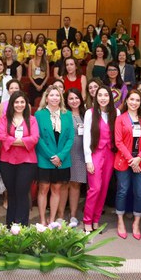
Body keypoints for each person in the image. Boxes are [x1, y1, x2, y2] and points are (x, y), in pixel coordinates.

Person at [114, 90, 141, 240]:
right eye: (131, 99)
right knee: (122, 191)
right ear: (127, 100)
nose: (134, 102)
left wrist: (139, 158)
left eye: (137, 100)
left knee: (140, 192)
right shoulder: (120, 119)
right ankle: (120, 221)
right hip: (124, 161)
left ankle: (136, 222)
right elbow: (118, 142)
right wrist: (132, 159)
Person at [0, 91, 39, 226]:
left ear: (26, 104)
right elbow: (1, 136)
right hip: (7, 161)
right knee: (12, 193)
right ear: (12, 104)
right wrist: (22, 141)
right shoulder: (4, 119)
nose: (19, 105)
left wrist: (12, 140)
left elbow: (35, 138)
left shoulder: (32, 119)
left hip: (27, 162)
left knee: (22, 192)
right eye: (16, 102)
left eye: (22, 102)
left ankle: (21, 226)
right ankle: (10, 225)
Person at [35, 85, 74, 226]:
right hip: (45, 158)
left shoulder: (67, 114)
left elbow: (70, 138)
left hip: (62, 160)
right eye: (51, 95)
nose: (54, 98)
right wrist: (52, 156)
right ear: (46, 97)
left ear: (61, 98)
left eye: (57, 95)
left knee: (56, 189)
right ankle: (42, 220)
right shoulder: (39, 114)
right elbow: (37, 138)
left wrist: (61, 156)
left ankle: (52, 220)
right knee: (43, 189)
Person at [82, 86, 117, 232]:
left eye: (106, 95)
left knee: (103, 188)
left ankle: (96, 220)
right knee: (95, 188)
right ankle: (87, 221)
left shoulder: (116, 112)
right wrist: (88, 159)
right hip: (95, 153)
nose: (103, 98)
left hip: (110, 154)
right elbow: (86, 137)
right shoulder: (90, 113)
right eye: (100, 95)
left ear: (110, 97)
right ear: (96, 97)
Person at [59, 89, 85, 227]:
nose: (74, 101)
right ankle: (60, 214)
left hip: (80, 154)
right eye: (71, 98)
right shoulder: (63, 114)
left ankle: (73, 215)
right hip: (66, 153)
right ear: (66, 101)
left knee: (76, 184)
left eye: (76, 98)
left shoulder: (85, 114)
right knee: (64, 184)